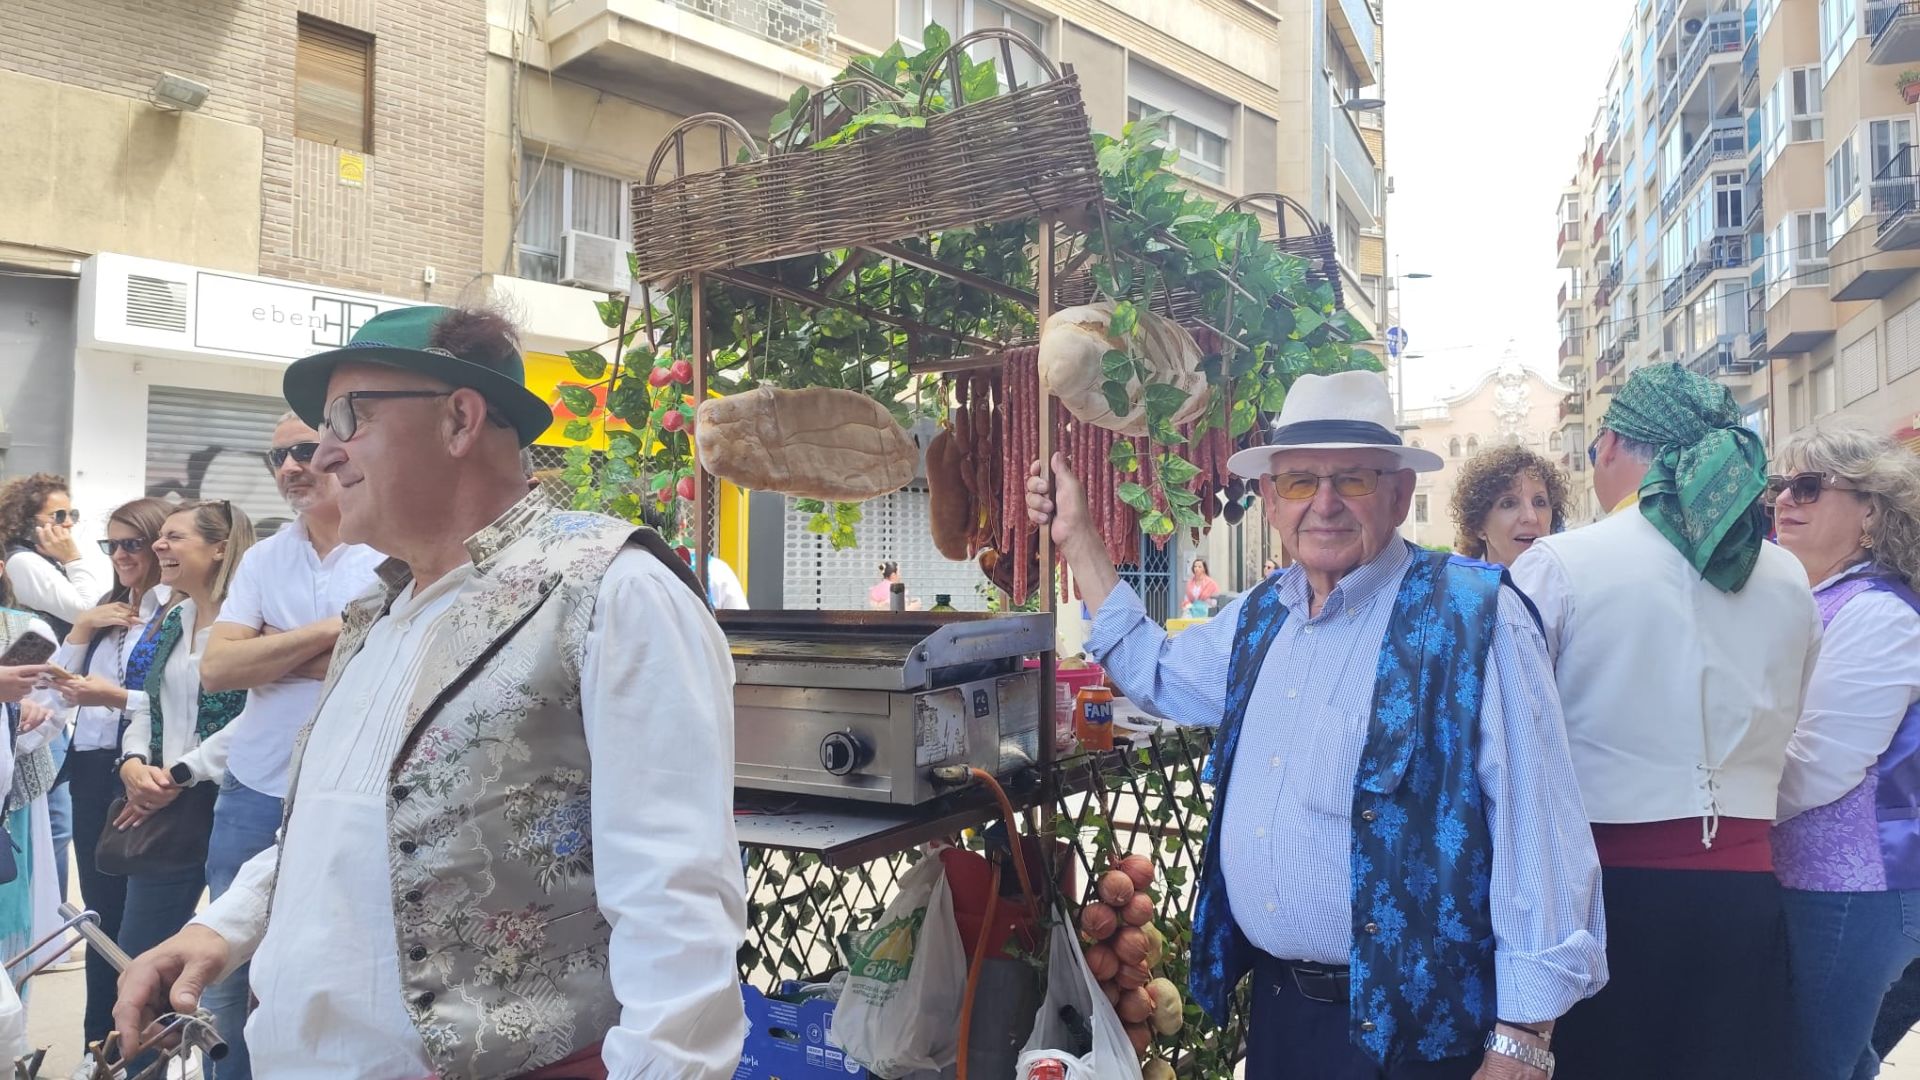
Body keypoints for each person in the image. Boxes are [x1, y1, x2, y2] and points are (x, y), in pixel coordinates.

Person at [114, 305, 748, 1078]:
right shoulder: (378, 614)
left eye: (349, 417)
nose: (324, 452)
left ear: (459, 419)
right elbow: (349, 822)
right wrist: (225, 926)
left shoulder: (612, 590)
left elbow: (676, 896)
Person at [1028, 370, 1605, 1079]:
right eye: (1301, 482)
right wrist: (1078, 537)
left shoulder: (1474, 618)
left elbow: (1540, 834)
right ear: (1271, 501)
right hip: (1281, 1024)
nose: (1324, 504)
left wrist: (1522, 1042)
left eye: (1352, 481)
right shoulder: (1260, 618)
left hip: (1422, 1043)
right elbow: (1157, 672)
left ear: (1396, 493)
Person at [1509, 363, 1821, 1080]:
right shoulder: (1785, 575)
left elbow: (1513, 747)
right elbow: (1795, 720)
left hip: (1600, 906)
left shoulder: (1559, 563)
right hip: (1745, 898)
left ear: (1613, 444)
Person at [190, 415, 384, 1080]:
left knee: (338, 963)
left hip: (353, 786)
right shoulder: (265, 557)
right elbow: (216, 669)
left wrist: (267, 650)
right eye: (279, 455)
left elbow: (393, 664)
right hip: (255, 787)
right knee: (223, 969)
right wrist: (342, 630)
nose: (291, 467)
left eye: (305, 450)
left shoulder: (389, 552)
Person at [1763, 426, 1920, 1079]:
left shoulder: (1879, 613)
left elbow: (1819, 763)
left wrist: (1712, 813)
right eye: (1778, 487)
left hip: (1853, 888)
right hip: (1808, 881)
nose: (1783, 500)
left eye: (1807, 487)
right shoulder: (1813, 598)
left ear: (1870, 512)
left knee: (1812, 1065)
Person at [45, 496, 172, 1075]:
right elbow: (52, 693)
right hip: (93, 769)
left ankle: (137, 1054)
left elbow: (188, 700)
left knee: (141, 927)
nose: (121, 555)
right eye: (111, 545)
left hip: (149, 773)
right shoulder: (104, 610)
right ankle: (99, 1049)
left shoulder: (179, 613)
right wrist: (80, 628)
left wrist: (111, 696)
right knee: (99, 919)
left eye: (132, 544)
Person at [107, 502, 255, 987]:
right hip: (166, 808)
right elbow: (151, 704)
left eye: (174, 537)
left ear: (219, 548)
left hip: (235, 801)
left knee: (229, 977)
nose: (157, 546)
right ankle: (136, 1062)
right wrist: (133, 763)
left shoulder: (255, 624)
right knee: (139, 958)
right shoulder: (175, 618)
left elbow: (266, 717)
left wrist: (181, 772)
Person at [0, 472, 107, 910]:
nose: (66, 525)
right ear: (29, 521)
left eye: (72, 515)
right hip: (36, 696)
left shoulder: (42, 562)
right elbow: (91, 608)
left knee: (51, 821)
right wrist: (76, 555)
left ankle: (47, 917)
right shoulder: (26, 560)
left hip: (49, 700)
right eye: (57, 516)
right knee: (40, 818)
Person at [0, 605, 66, 1006]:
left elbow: (54, 708)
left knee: (11, 933)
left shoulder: (26, 627)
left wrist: (19, 714)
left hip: (14, 802)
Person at [1450, 446, 1569, 567]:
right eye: (1508, 504)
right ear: (1479, 526)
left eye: (1540, 502)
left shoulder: (1572, 580)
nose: (1531, 517)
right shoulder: (1455, 583)